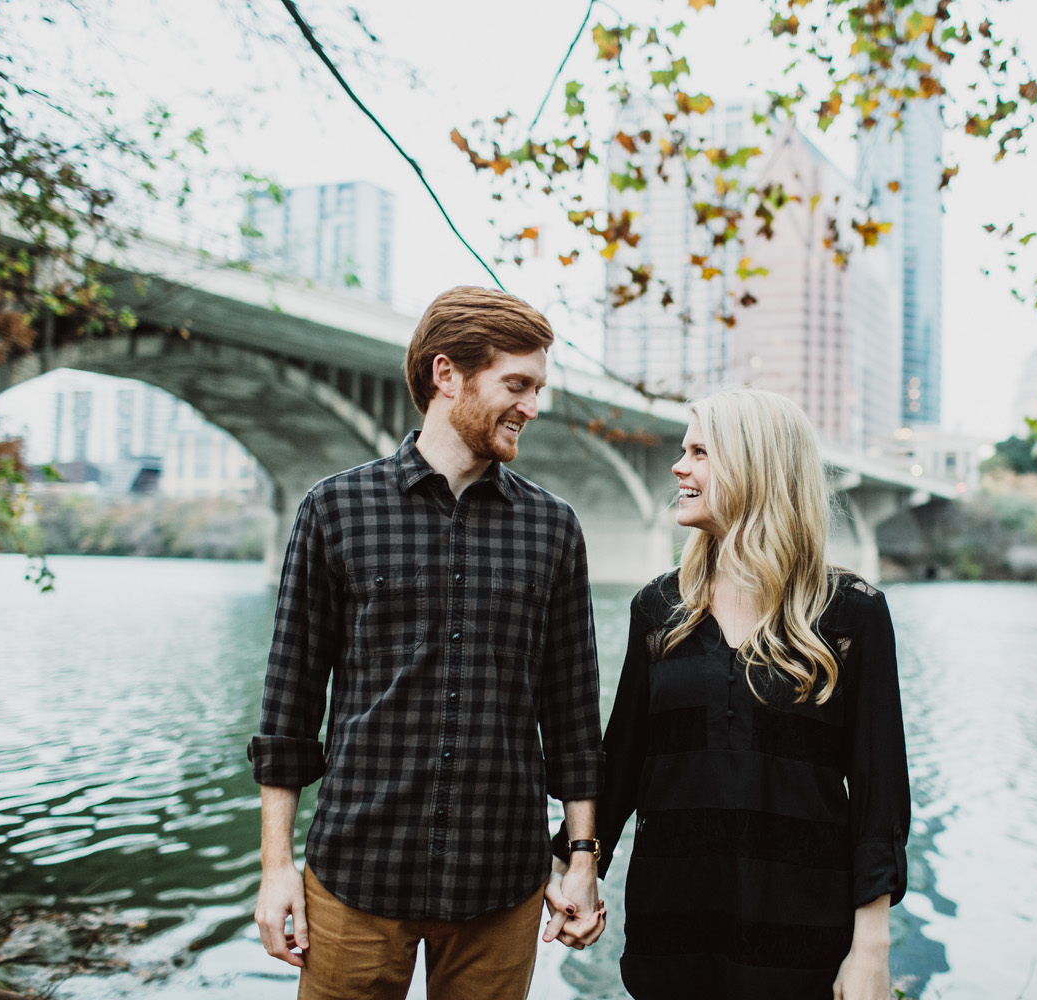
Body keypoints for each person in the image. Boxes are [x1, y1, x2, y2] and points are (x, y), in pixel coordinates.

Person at [249, 286, 605, 1000]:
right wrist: (277, 868)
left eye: (538, 388)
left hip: (502, 882)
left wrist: (582, 859)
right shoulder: (334, 508)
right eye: (518, 385)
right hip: (356, 875)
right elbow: (289, 706)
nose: (533, 407)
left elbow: (572, 716)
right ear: (448, 374)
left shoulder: (553, 527)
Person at [553, 387, 911, 999]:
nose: (678, 466)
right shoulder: (659, 607)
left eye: (699, 451)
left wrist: (870, 946)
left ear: (755, 467)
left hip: (801, 943)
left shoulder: (853, 613)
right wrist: (576, 869)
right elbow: (624, 760)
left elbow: (881, 792)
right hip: (671, 932)